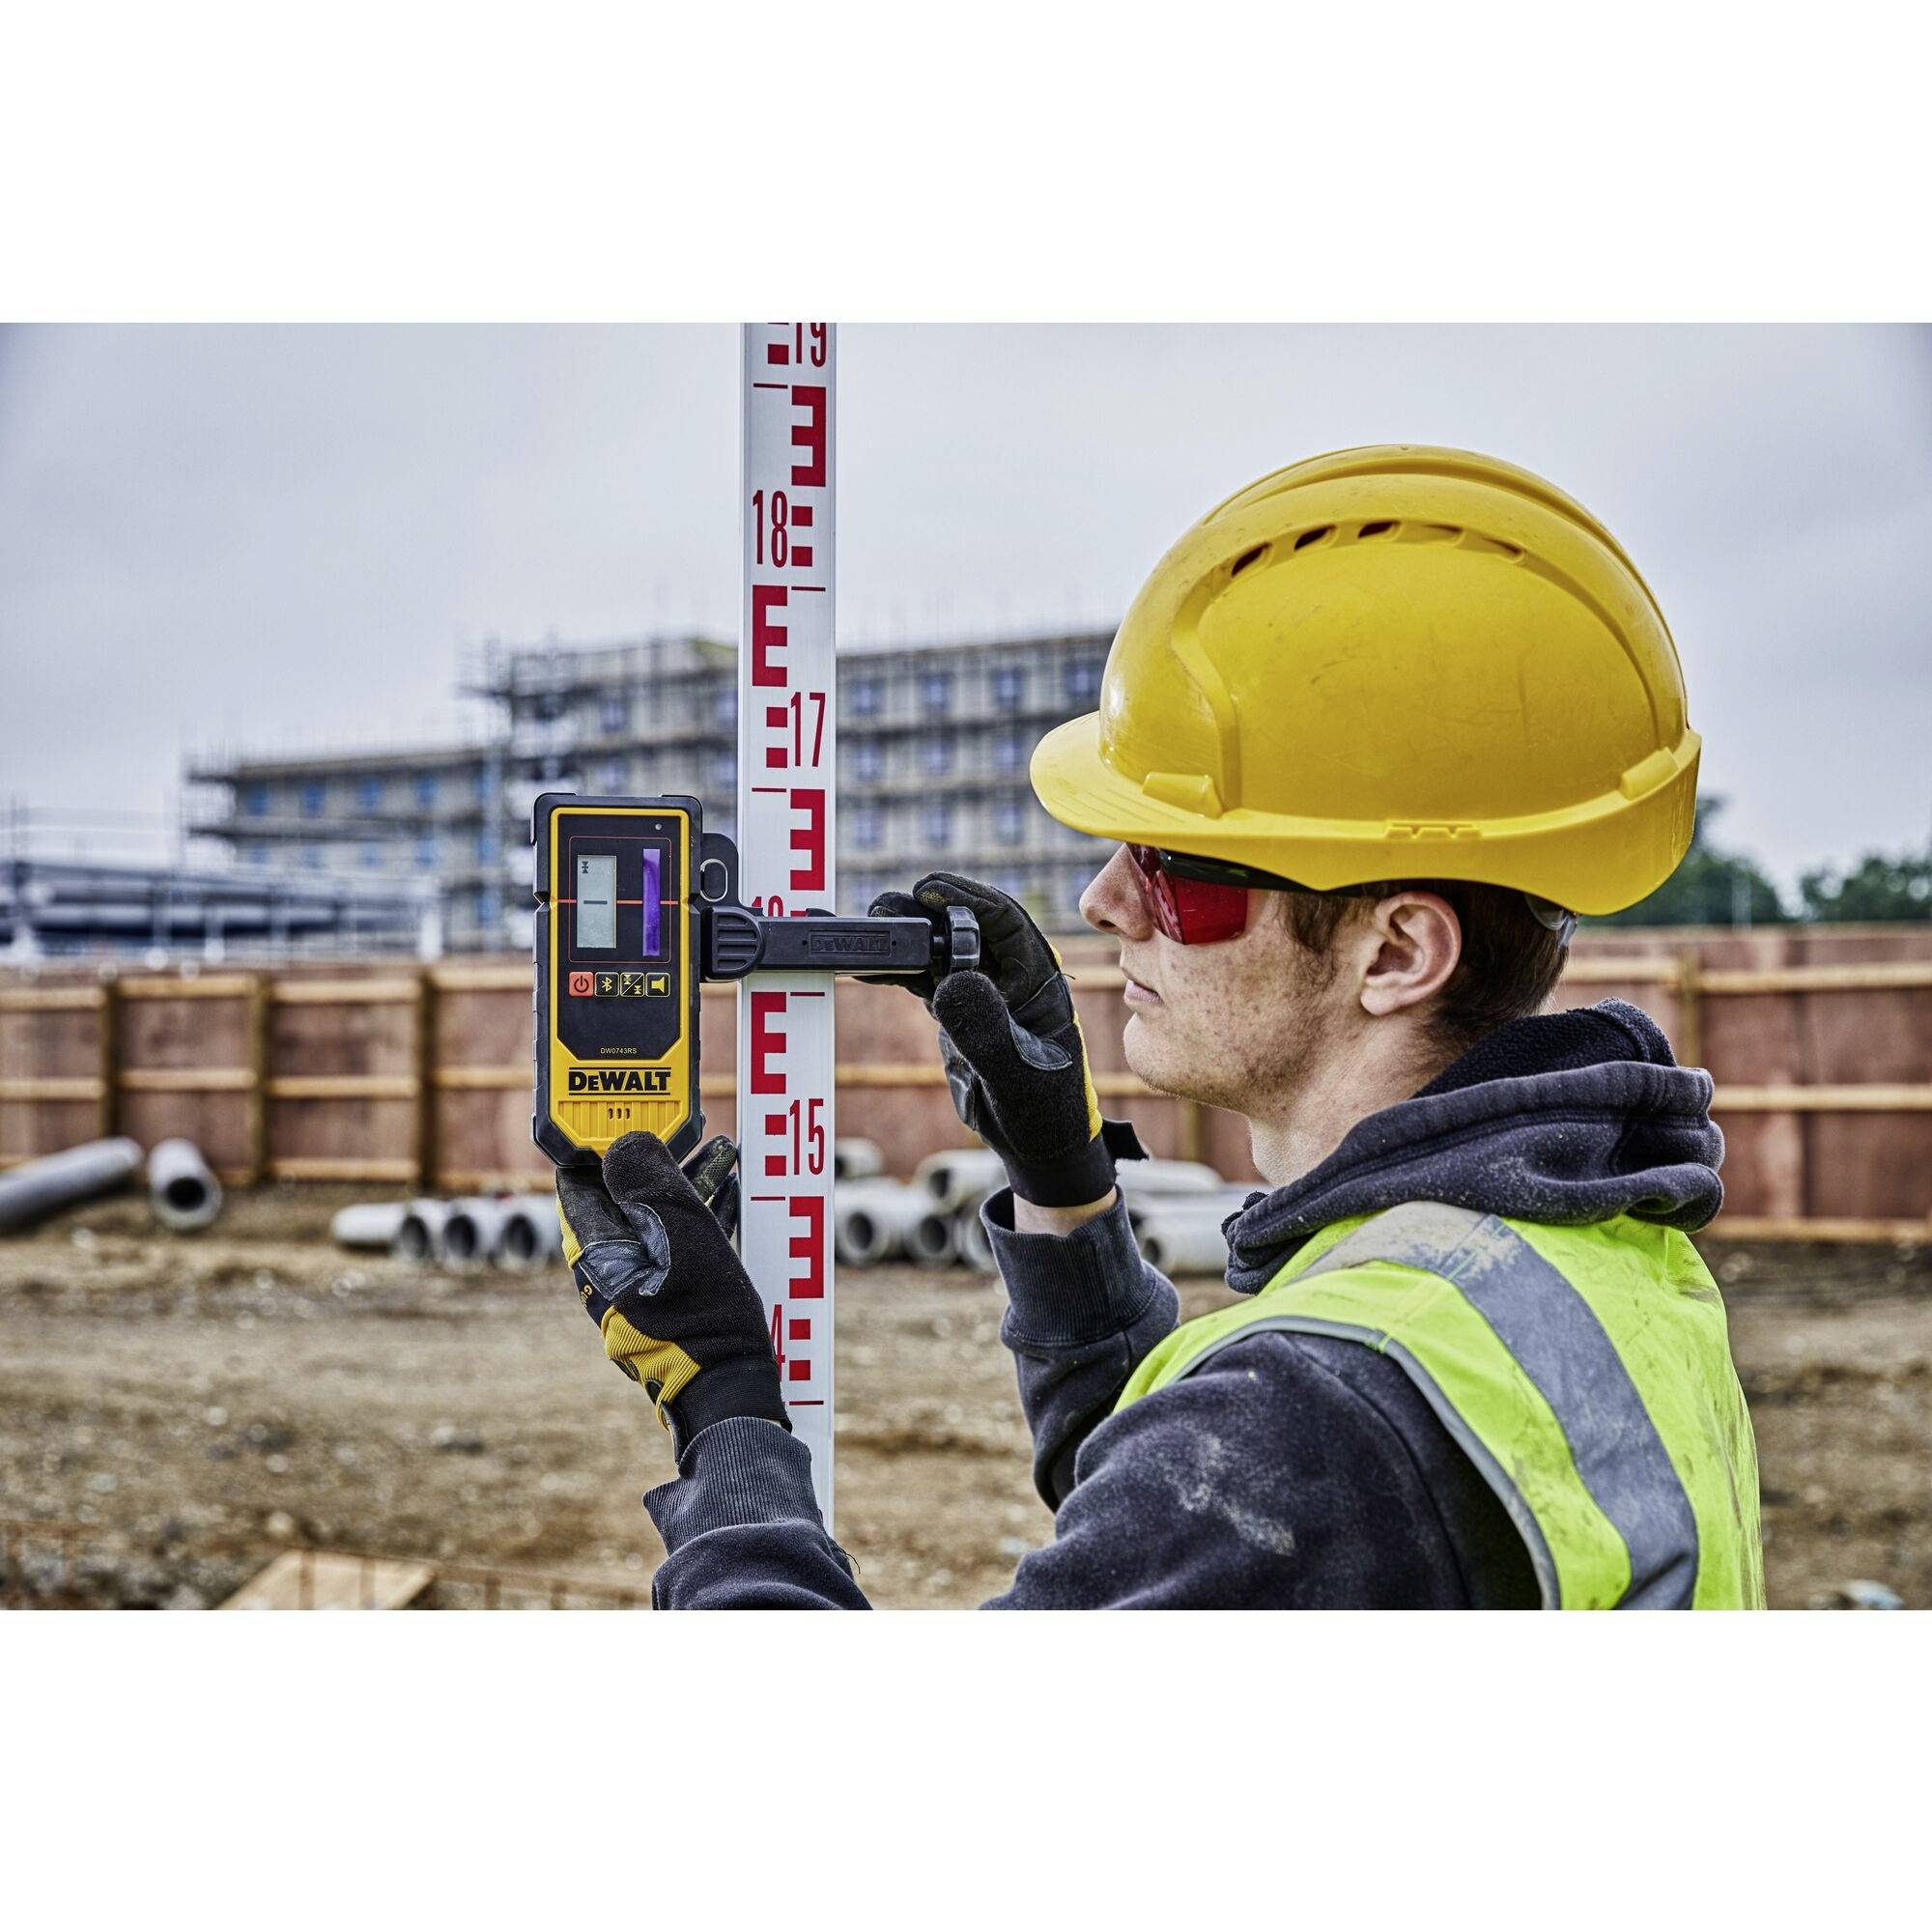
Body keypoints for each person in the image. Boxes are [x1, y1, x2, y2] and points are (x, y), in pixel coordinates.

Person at [556, 444, 1765, 1609]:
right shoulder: (1591, 1263)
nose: (1102, 902)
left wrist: (722, 1408)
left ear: (1394, 952)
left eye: (1179, 873)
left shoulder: (1321, 1413)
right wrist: (1063, 1181)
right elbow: (1191, 1510)